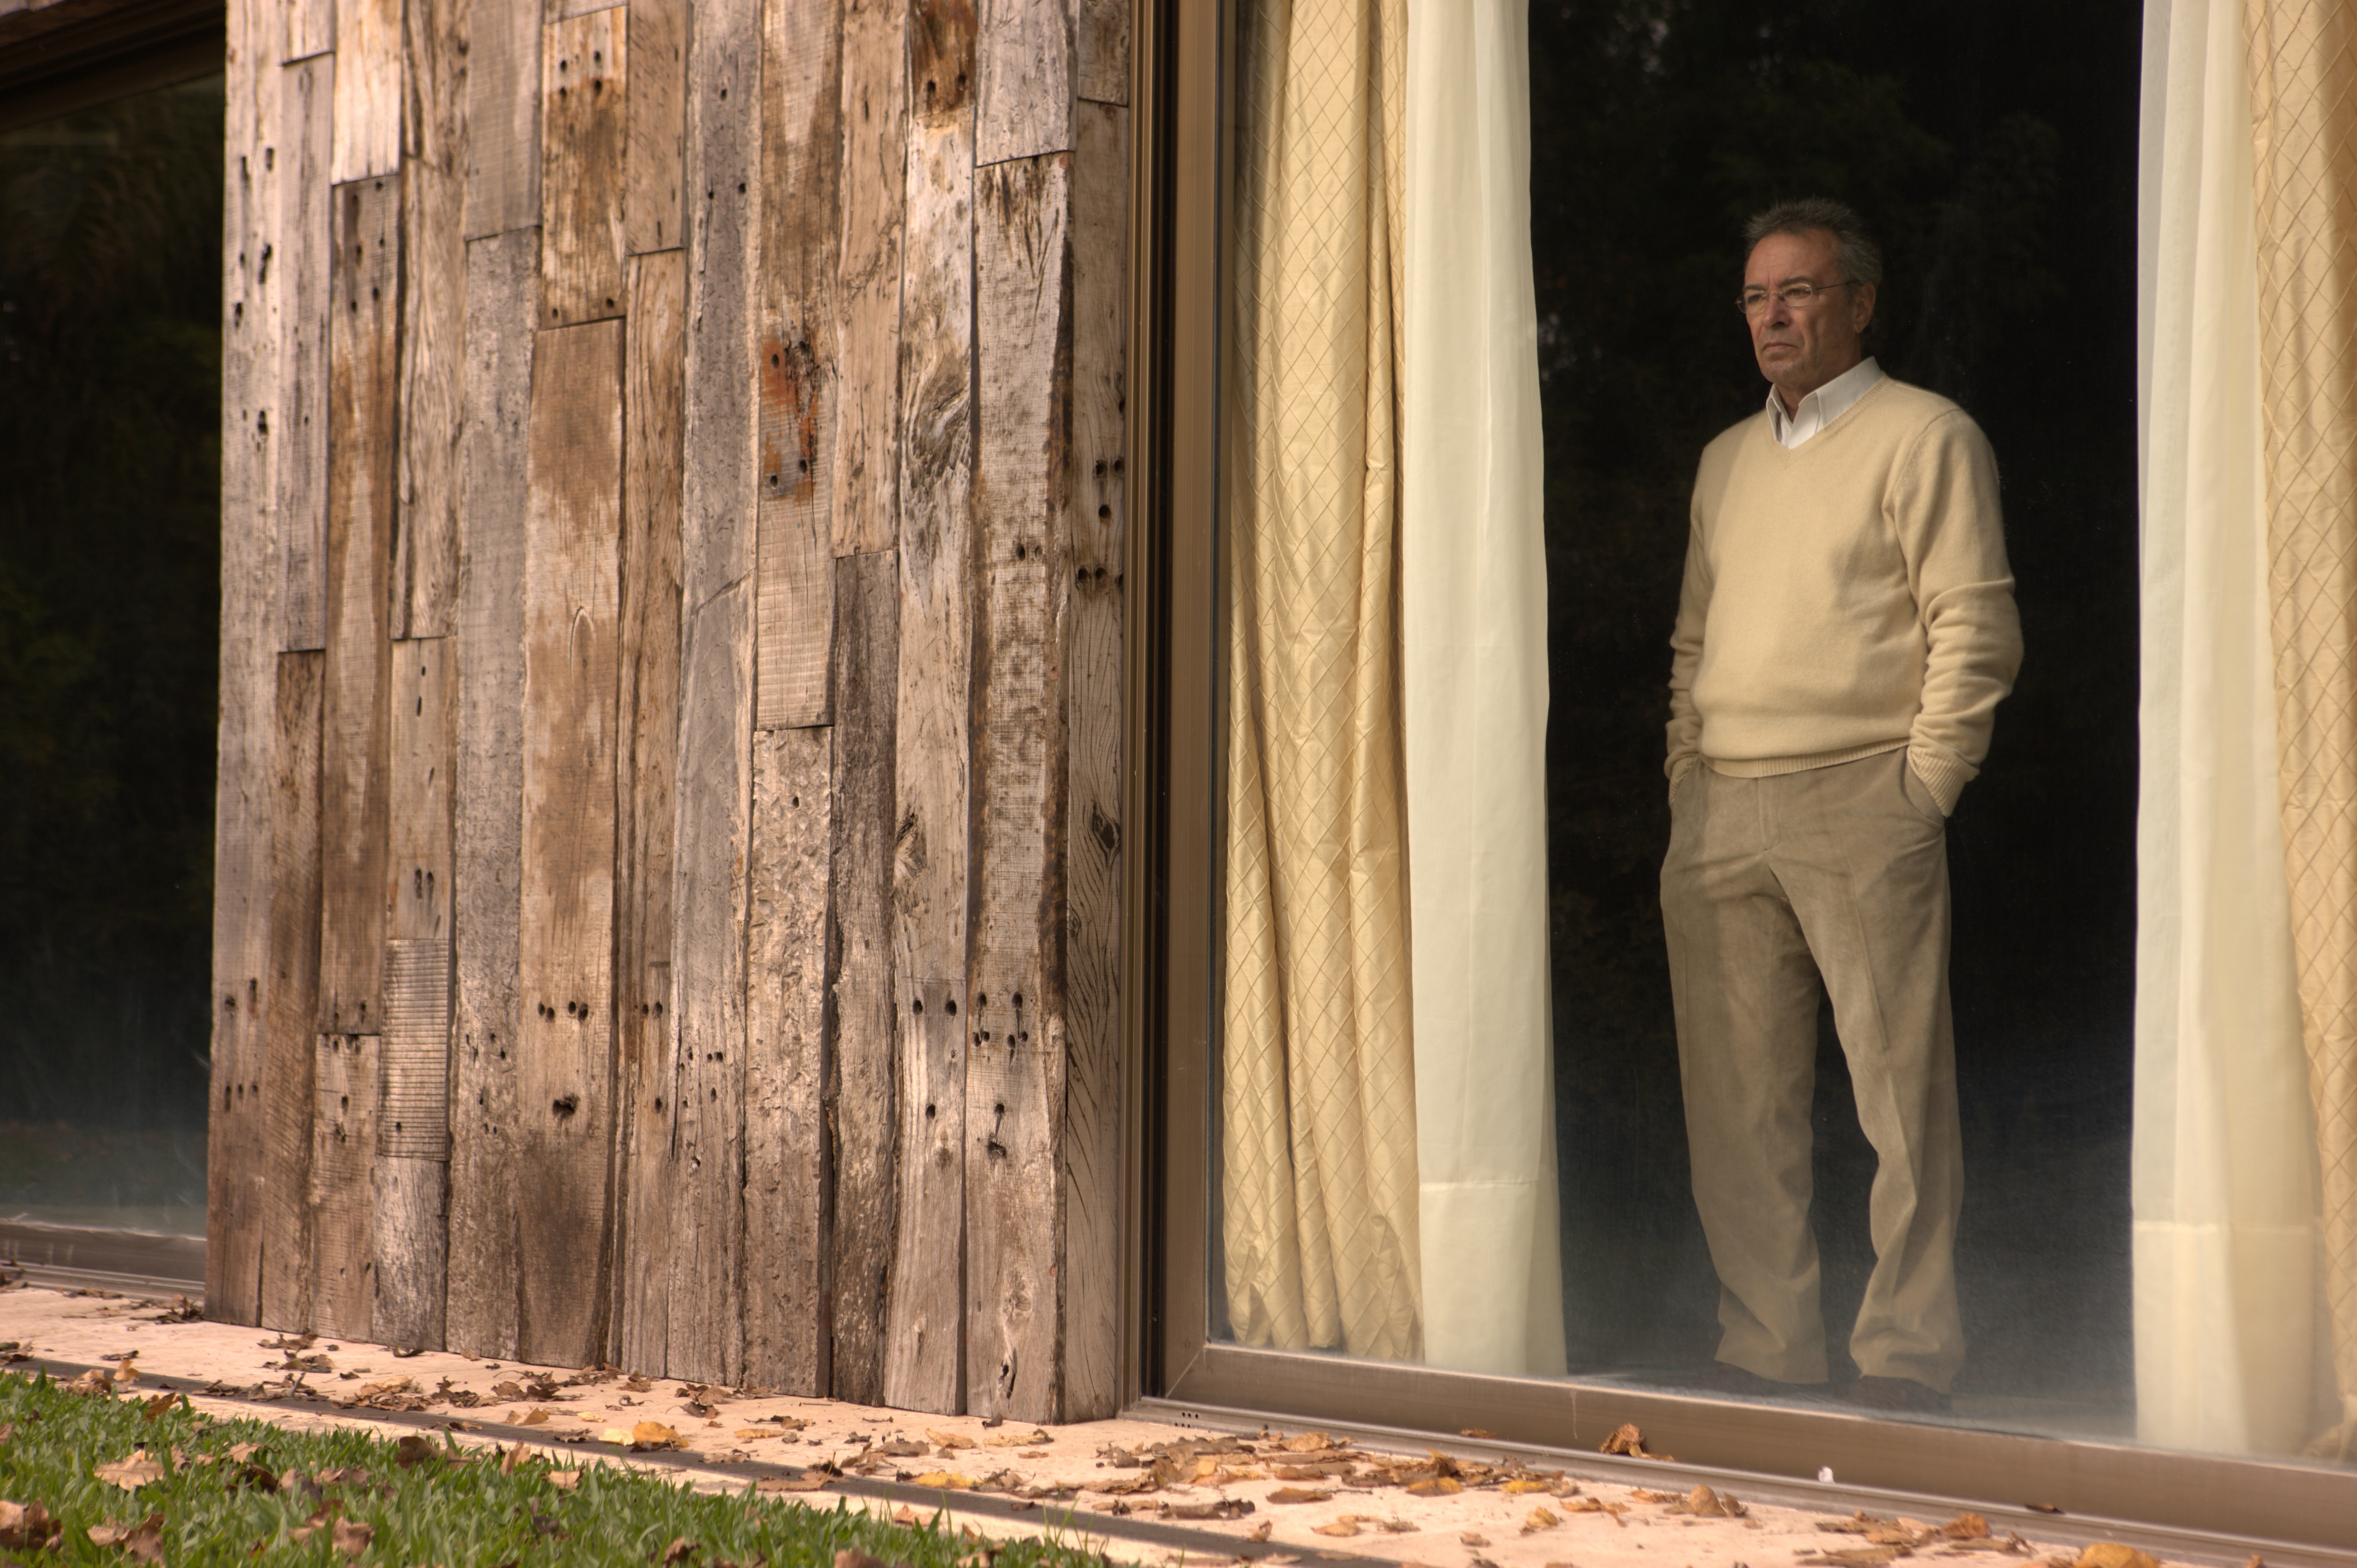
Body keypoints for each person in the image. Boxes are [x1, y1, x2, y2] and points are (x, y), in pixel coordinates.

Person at [1659, 198, 2022, 1414]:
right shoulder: (1724, 461)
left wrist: (1925, 786)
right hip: (1723, 812)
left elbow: (1973, 624)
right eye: (1758, 296)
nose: (1773, 316)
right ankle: (1766, 1344)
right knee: (1738, 1108)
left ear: (1860, 303)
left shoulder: (1927, 438)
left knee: (1898, 1101)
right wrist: (1685, 775)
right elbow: (1692, 642)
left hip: (1866, 796)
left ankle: (1908, 1352)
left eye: (1800, 291)